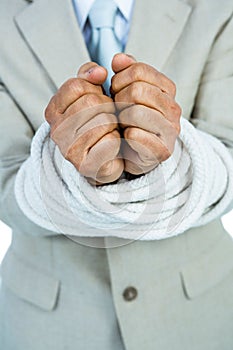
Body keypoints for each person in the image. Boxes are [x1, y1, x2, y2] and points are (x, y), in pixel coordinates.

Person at [0, 0, 233, 349]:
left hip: (195, 317)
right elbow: (6, 186)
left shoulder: (219, 8)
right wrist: (73, 168)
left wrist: (158, 166)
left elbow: (228, 160)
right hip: (47, 327)